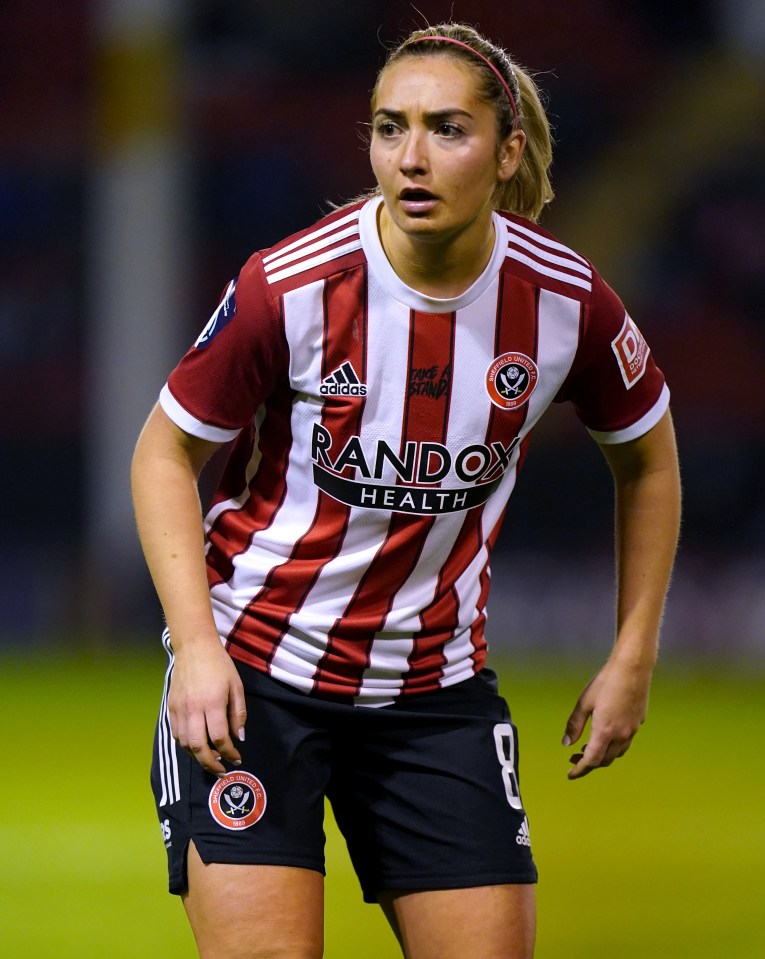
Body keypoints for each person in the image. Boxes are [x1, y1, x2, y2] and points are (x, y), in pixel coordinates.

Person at [131, 22, 681, 959]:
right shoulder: (292, 286)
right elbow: (161, 455)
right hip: (260, 679)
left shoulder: (565, 301)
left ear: (507, 152)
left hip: (434, 696)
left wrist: (632, 654)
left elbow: (648, 458)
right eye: (390, 128)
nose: (411, 158)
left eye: (446, 130)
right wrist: (196, 648)